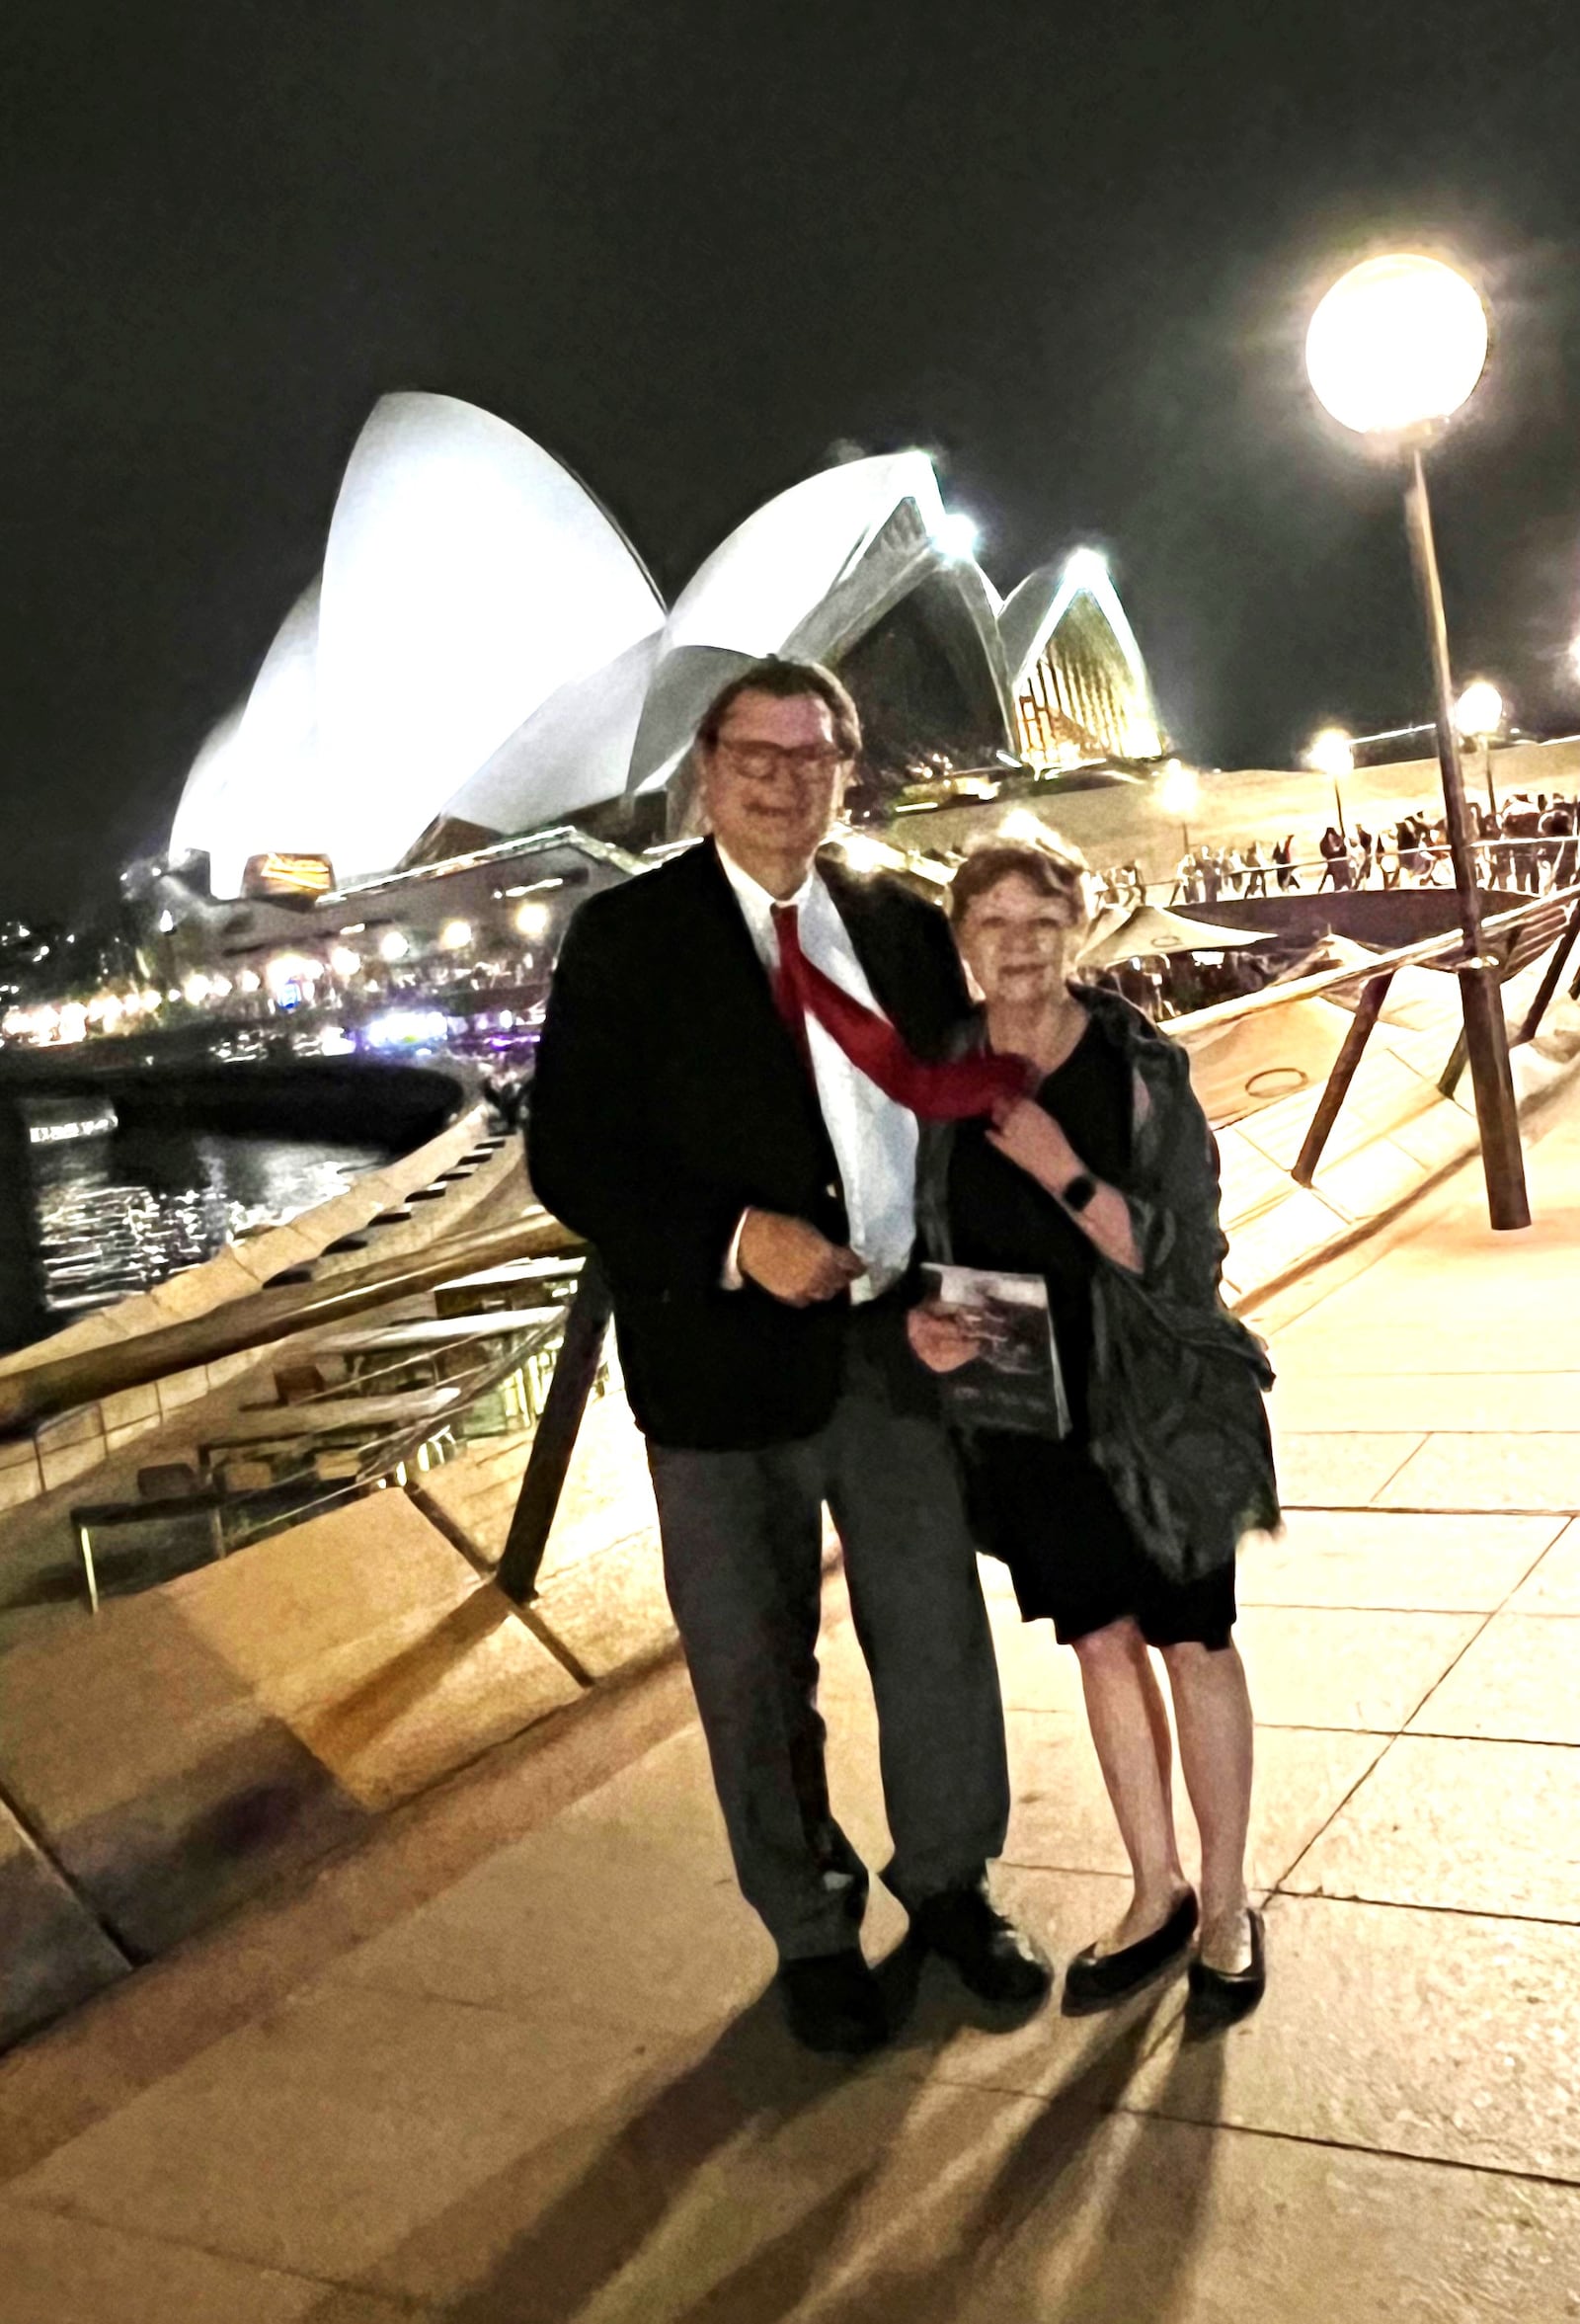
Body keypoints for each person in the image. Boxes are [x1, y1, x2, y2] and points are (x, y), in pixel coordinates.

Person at [528, 658, 1051, 2057]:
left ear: (844, 774)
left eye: (810, 756)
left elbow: (969, 1117)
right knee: (753, 1673)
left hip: (895, 1346)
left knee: (935, 1633)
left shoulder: (891, 916)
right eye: (754, 754)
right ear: (705, 771)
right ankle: (811, 1928)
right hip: (717, 1372)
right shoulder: (630, 934)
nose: (781, 778)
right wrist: (726, 1236)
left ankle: (950, 1885)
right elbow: (569, 1155)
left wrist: (980, 1302)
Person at [908, 832, 1278, 2028]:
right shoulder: (937, 1082)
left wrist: (1064, 1169)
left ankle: (1224, 1902)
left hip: (1152, 1405)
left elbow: (1187, 1261)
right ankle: (1152, 1887)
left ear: (1079, 926)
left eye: (1038, 920)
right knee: (1101, 1641)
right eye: (991, 924)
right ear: (962, 942)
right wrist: (926, 1321)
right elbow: (921, 1237)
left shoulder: (1138, 1069)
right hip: (1027, 1411)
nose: (1016, 945)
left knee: (1193, 1640)